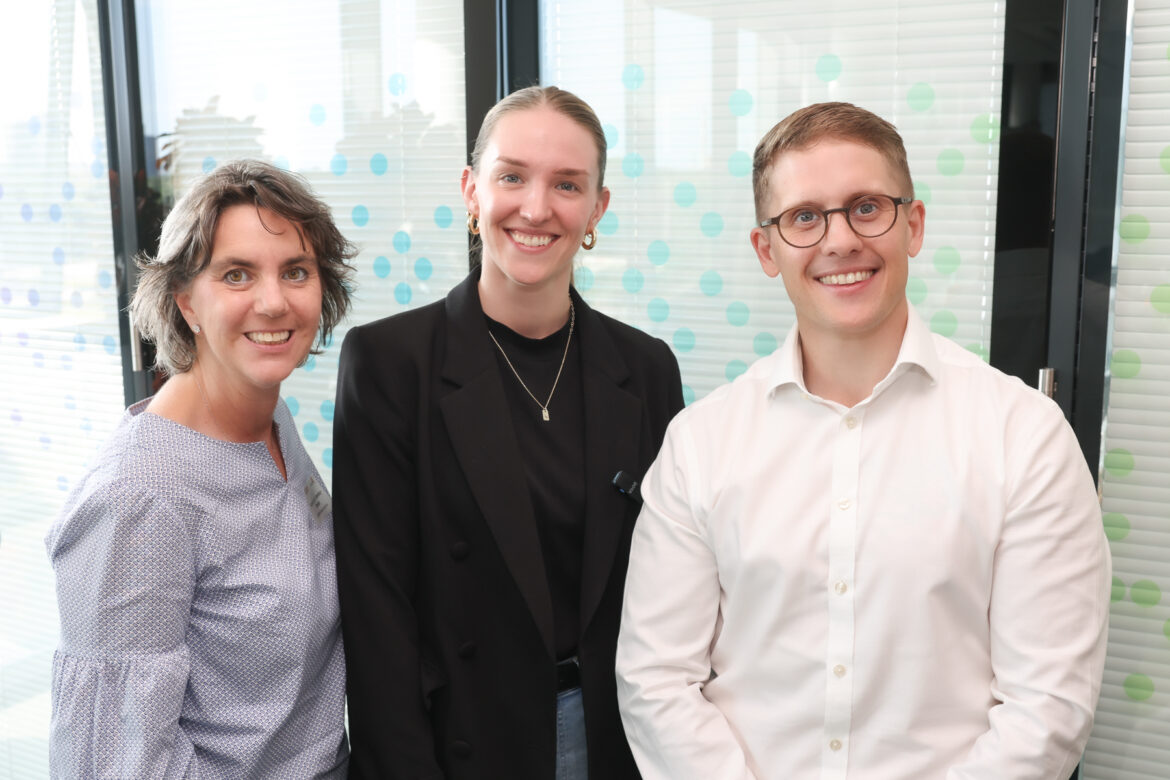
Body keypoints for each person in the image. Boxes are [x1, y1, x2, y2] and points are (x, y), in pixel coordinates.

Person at [615, 102, 1111, 779]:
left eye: (867, 207)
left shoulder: (1024, 435)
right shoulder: (701, 443)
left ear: (914, 224)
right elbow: (656, 679)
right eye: (804, 217)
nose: (841, 240)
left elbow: (1047, 708)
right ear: (766, 249)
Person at [332, 85, 684, 779]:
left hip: (618, 734)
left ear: (597, 208)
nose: (536, 207)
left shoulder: (646, 369)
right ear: (472, 191)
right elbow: (377, 616)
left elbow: (674, 587)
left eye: (567, 184)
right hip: (462, 740)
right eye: (512, 177)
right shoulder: (388, 363)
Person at [46, 159, 356, 778]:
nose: (274, 302)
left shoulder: (269, 419)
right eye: (237, 274)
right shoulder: (140, 498)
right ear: (185, 300)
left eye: (296, 271)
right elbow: (114, 763)